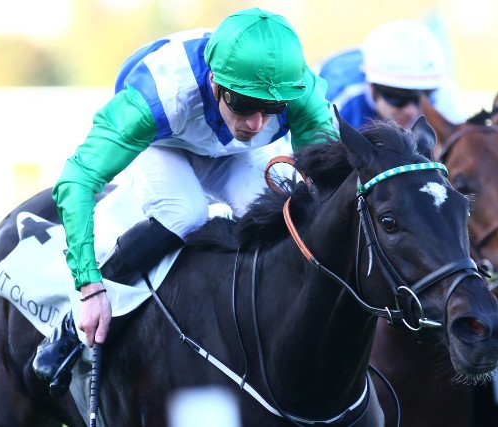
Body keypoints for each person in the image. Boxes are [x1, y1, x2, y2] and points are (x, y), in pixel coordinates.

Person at [31, 7, 336, 396]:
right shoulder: (159, 95)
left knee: (283, 217)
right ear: (214, 82)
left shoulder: (300, 92)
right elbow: (76, 180)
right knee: (185, 213)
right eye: (244, 103)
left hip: (234, 153)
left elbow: (326, 183)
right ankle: (71, 328)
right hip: (165, 145)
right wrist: (89, 287)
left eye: (271, 108)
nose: (257, 123)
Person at [317, 19, 463, 130]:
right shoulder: (338, 100)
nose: (411, 110)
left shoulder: (441, 96)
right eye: (398, 97)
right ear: (372, 87)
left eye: (423, 97)